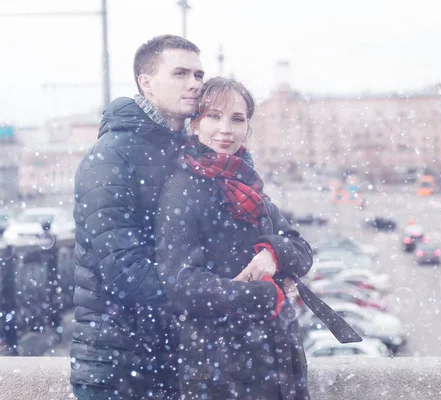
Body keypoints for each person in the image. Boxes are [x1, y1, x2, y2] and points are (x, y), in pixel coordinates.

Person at [154, 77, 313, 400]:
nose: (225, 129)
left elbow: (302, 250)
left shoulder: (247, 184)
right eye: (213, 116)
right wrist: (264, 297)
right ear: (195, 125)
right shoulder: (183, 189)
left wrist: (273, 254)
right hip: (222, 364)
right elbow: (181, 284)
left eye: (237, 119)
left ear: (247, 128)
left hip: (277, 359)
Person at [70, 34, 204, 400]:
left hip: (173, 359)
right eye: (180, 73)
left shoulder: (192, 153)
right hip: (116, 364)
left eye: (198, 74)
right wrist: (214, 298)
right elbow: (123, 268)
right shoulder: (112, 155)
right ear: (146, 83)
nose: (194, 84)